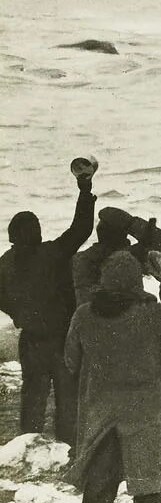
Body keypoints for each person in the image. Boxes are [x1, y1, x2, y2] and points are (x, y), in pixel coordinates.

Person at [64, 250, 161, 503]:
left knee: (101, 472)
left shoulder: (83, 314)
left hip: (101, 408)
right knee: (146, 471)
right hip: (146, 406)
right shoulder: (149, 314)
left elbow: (71, 361)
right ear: (136, 282)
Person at [0, 159, 97, 446]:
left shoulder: (4, 263)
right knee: (68, 403)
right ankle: (68, 453)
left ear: (12, 235)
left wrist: (17, 312)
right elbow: (81, 229)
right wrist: (85, 188)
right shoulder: (53, 253)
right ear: (37, 232)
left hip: (30, 341)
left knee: (32, 404)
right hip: (61, 340)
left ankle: (28, 453)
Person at [72, 206, 161, 309]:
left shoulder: (78, 259)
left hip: (87, 318)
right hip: (129, 316)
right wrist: (130, 223)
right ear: (124, 236)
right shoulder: (129, 256)